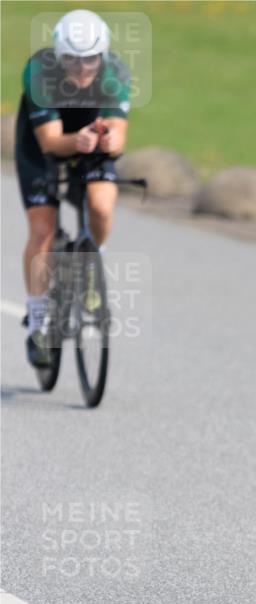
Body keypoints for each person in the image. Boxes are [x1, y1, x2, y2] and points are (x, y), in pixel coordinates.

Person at [15, 9, 131, 367]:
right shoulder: (40, 73)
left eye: (91, 60)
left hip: (89, 141)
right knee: (42, 231)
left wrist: (107, 140)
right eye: (74, 61)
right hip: (42, 148)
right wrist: (74, 141)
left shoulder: (115, 72)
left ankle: (93, 261)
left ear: (104, 55)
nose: (83, 70)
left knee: (100, 207)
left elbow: (118, 136)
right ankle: (37, 319)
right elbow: (50, 143)